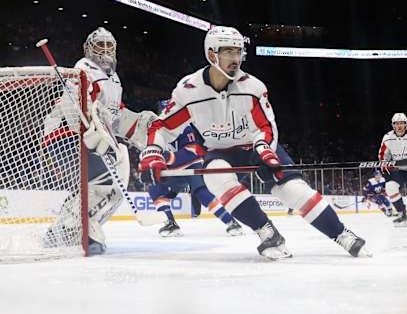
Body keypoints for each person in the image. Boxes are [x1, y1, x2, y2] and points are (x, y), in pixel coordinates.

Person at [139, 26, 370, 258]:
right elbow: (163, 126)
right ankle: (267, 233)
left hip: (255, 145)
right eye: (228, 52)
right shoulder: (188, 90)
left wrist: (264, 152)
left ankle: (342, 234)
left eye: (238, 52)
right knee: (216, 175)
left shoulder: (253, 88)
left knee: (292, 191)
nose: (236, 59)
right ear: (211, 55)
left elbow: (265, 127)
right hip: (219, 151)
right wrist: (153, 152)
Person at [43, 27, 157, 255]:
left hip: (91, 138)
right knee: (103, 183)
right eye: (99, 46)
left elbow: (114, 114)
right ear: (87, 49)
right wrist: (87, 127)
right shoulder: (83, 68)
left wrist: (141, 126)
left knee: (107, 186)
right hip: (67, 137)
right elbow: (73, 106)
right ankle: (75, 230)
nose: (104, 50)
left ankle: (64, 231)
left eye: (109, 46)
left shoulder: (113, 78)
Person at [148, 102, 244, 237]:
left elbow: (192, 150)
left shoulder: (184, 126)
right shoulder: (157, 130)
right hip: (173, 169)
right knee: (155, 190)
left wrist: (168, 157)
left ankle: (231, 222)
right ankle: (170, 223)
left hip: (191, 163)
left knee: (202, 193)